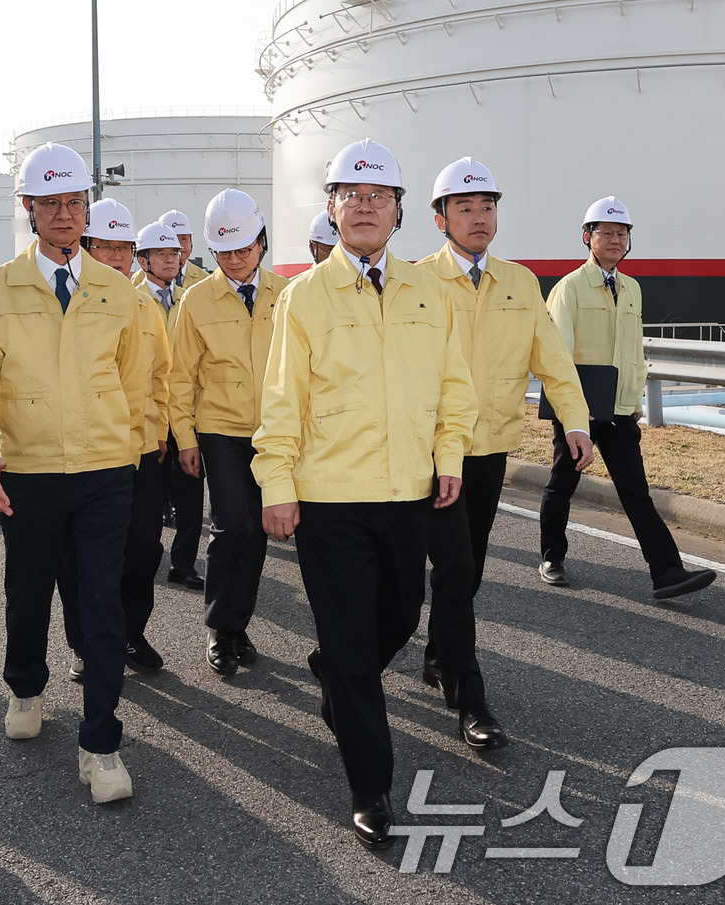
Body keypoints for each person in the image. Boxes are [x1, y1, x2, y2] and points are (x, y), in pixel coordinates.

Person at [252, 138, 477, 849]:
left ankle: (335, 674)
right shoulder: (304, 297)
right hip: (329, 497)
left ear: (399, 211)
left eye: (379, 196)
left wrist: (448, 455)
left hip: (409, 489)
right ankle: (370, 785)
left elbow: (455, 385)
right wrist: (276, 484)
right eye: (351, 195)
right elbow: (281, 400)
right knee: (351, 641)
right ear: (332, 208)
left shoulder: (429, 291)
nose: (365, 206)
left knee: (402, 614)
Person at [0, 142, 148, 804]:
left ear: (87, 208)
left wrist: (130, 448)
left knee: (101, 604)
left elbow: (133, 377)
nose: (65, 214)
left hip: (103, 470)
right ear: (29, 209)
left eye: (74, 202)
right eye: (51, 204)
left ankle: (100, 744)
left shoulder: (116, 289)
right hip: (29, 469)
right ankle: (25, 685)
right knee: (29, 590)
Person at [414, 157, 594, 750]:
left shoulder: (520, 282)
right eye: (464, 208)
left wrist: (575, 420)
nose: (479, 218)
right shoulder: (416, 281)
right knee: (443, 570)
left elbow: (553, 360)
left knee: (466, 569)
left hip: (488, 450)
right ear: (440, 218)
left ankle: (441, 656)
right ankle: (469, 697)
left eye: (487, 207)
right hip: (428, 451)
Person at [539, 197, 716, 600]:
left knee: (636, 492)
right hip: (580, 412)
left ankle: (668, 573)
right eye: (607, 233)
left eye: (622, 234)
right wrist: (572, 414)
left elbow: (634, 351)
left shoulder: (632, 288)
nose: (616, 240)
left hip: (619, 411)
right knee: (562, 484)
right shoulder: (569, 288)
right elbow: (557, 355)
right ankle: (552, 557)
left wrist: (635, 401)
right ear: (587, 238)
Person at [168, 188, 288, 677]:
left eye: (244, 249)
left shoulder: (287, 294)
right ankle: (219, 628)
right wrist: (186, 438)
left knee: (256, 532)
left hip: (274, 432)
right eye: (224, 252)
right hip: (220, 430)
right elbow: (180, 375)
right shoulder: (196, 300)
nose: (235, 260)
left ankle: (238, 626)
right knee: (232, 526)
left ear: (262, 242)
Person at [59, 203, 172, 679]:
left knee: (143, 549)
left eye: (126, 248)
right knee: (81, 557)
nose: (119, 258)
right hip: (89, 452)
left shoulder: (145, 305)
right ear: (86, 248)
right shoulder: (70, 303)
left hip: (140, 448)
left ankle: (129, 633)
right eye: (108, 247)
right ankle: (87, 645)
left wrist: (161, 429)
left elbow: (162, 373)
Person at [136, 208, 209, 564]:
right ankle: (147, 557)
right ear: (143, 260)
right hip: (147, 412)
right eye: (161, 253)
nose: (170, 259)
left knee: (191, 493)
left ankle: (184, 564)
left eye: (174, 253)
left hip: (183, 408)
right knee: (149, 496)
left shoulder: (191, 300)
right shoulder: (129, 299)